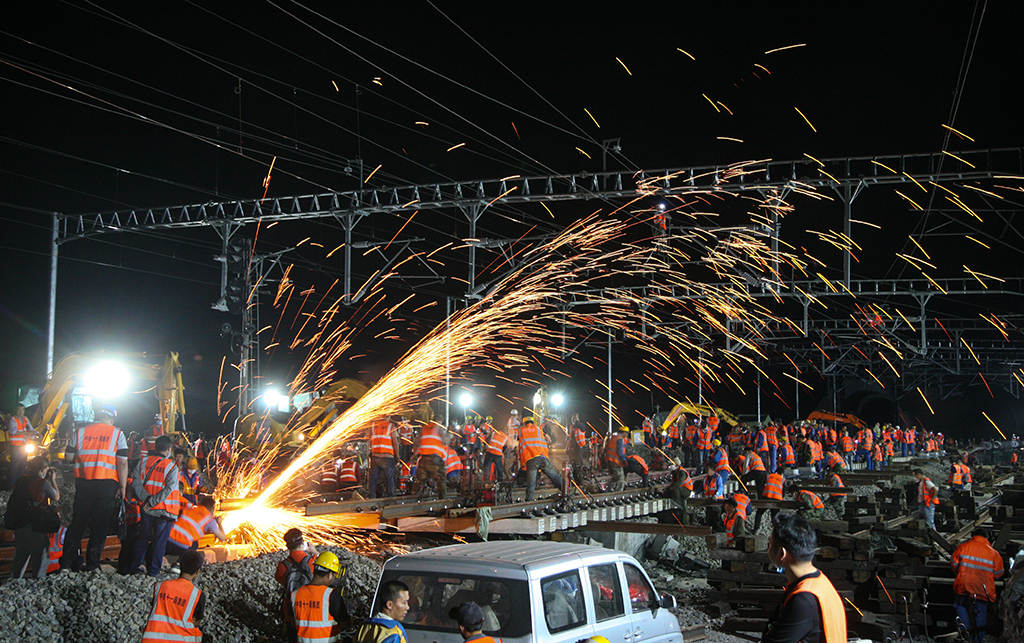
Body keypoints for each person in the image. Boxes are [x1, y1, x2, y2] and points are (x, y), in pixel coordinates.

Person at [60, 404, 129, 572]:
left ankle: (67, 563)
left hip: (84, 483)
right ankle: (92, 564)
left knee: (77, 523)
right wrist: (123, 486)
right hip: (107, 485)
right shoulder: (117, 434)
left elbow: (68, 457)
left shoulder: (80, 432)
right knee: (100, 525)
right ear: (111, 418)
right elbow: (122, 462)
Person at [763, 512, 847, 642]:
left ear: (782, 553)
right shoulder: (820, 583)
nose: (767, 550)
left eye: (769, 544)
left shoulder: (803, 599)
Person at [129, 435, 181, 576]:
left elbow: (136, 483)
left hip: (146, 509)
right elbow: (169, 489)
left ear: (156, 447)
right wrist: (152, 502)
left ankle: (136, 568)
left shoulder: (142, 462)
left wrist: (146, 501)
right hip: (164, 511)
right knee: (159, 542)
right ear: (169, 449)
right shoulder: (171, 467)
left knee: (143, 538)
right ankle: (154, 571)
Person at [7, 455, 59, 579]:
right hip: (36, 527)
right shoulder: (43, 483)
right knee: (40, 562)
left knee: (20, 560)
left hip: (20, 525)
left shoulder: (21, 481)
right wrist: (53, 480)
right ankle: (37, 584)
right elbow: (56, 497)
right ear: (42, 469)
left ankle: (14, 584)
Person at [141, 549, 206, 642]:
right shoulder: (197, 595)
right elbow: (196, 622)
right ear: (197, 571)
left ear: (180, 566)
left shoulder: (160, 586)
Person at [951, 529, 1004, 642]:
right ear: (987, 538)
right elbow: (998, 574)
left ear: (973, 536)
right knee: (981, 614)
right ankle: (979, 639)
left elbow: (954, 565)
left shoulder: (963, 547)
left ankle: (965, 636)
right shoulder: (994, 553)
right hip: (982, 590)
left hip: (963, 587)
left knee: (960, 608)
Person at [290, 551, 350, 642]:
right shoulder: (331, 594)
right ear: (330, 575)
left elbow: (292, 624)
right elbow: (344, 622)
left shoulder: (295, 594)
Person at [276, 528, 318, 636]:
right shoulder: (312, 561)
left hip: (291, 614)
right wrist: (315, 553)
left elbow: (280, 580)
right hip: (312, 611)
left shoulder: (282, 566)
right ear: (303, 543)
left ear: (287, 546)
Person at [165, 496, 227, 567]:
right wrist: (219, 523)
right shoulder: (209, 520)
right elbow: (222, 538)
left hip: (167, 541)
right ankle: (178, 565)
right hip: (181, 547)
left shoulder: (190, 508)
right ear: (213, 508)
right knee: (195, 543)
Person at [518, 417, 563, 501]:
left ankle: (529, 500)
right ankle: (565, 491)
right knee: (554, 476)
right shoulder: (539, 429)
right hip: (543, 457)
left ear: (524, 423)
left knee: (531, 483)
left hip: (531, 458)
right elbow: (549, 439)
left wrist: (522, 464)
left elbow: (518, 441)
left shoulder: (521, 430)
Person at [412, 421, 447, 499]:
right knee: (441, 479)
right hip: (435, 459)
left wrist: (415, 454)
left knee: (420, 479)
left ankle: (413, 497)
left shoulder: (424, 428)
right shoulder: (439, 428)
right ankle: (442, 499)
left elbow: (417, 441)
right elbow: (444, 441)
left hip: (423, 458)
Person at [369, 418, 400, 498]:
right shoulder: (391, 426)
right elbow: (395, 443)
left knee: (373, 479)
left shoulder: (373, 426)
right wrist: (397, 456)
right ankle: (391, 497)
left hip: (375, 457)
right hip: (387, 457)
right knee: (390, 479)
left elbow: (370, 441)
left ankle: (372, 497)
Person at [7, 404, 35, 488]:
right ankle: (11, 486)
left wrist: (36, 434)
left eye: (22, 410)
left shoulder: (25, 419)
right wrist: (27, 433)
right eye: (19, 410)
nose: (21, 412)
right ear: (16, 411)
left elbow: (31, 429)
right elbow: (13, 432)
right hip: (16, 447)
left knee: (22, 465)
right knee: (14, 466)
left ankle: (19, 486)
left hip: (24, 446)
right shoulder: (13, 420)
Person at [604, 427, 628, 492]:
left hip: (609, 460)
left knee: (615, 477)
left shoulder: (613, 437)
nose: (627, 435)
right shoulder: (620, 439)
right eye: (626, 433)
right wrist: (624, 460)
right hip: (616, 461)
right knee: (621, 478)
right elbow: (620, 452)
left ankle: (608, 489)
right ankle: (619, 493)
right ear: (623, 432)